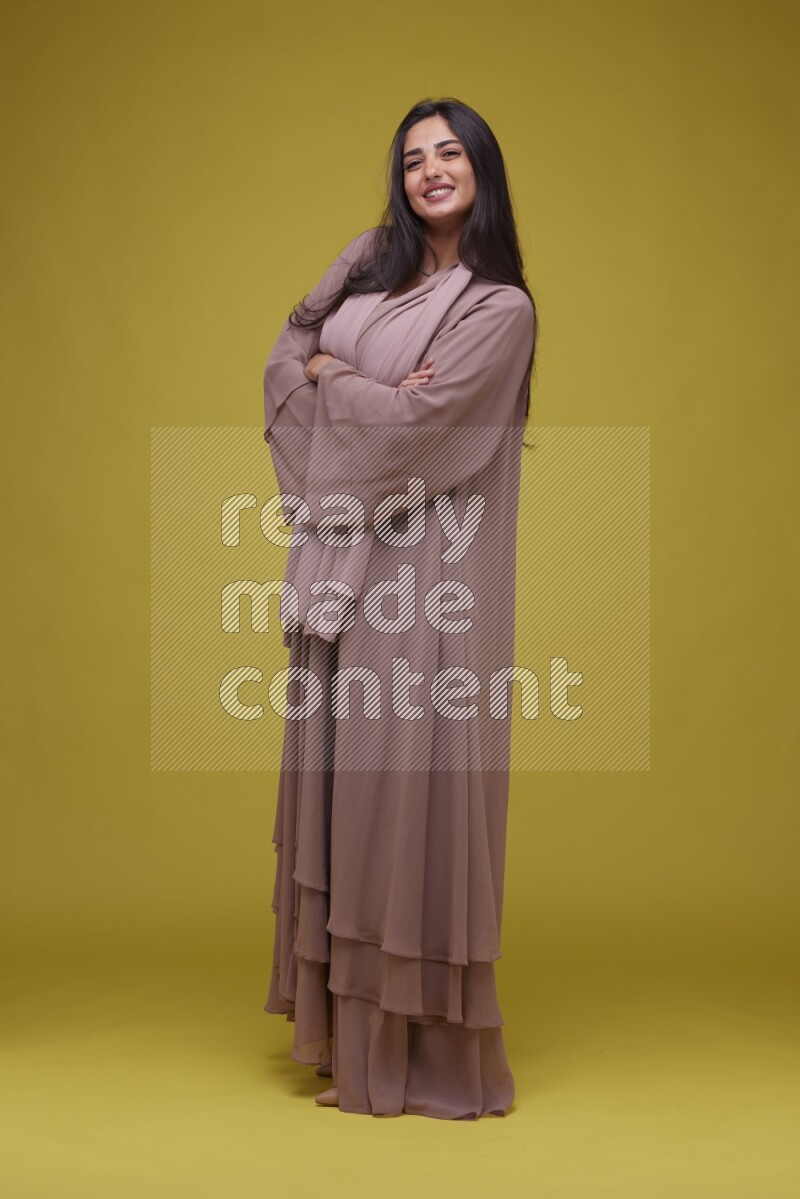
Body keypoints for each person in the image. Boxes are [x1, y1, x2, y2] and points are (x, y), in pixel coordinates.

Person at [261, 97, 538, 1120]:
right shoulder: (366, 259)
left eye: (449, 153)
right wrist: (341, 375)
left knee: (401, 794)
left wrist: (335, 373)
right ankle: (344, 1035)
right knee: (341, 784)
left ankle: (409, 1049)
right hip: (337, 567)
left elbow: (423, 431)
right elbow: (279, 363)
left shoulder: (497, 308)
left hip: (428, 577)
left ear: (480, 170)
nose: (430, 169)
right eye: (413, 156)